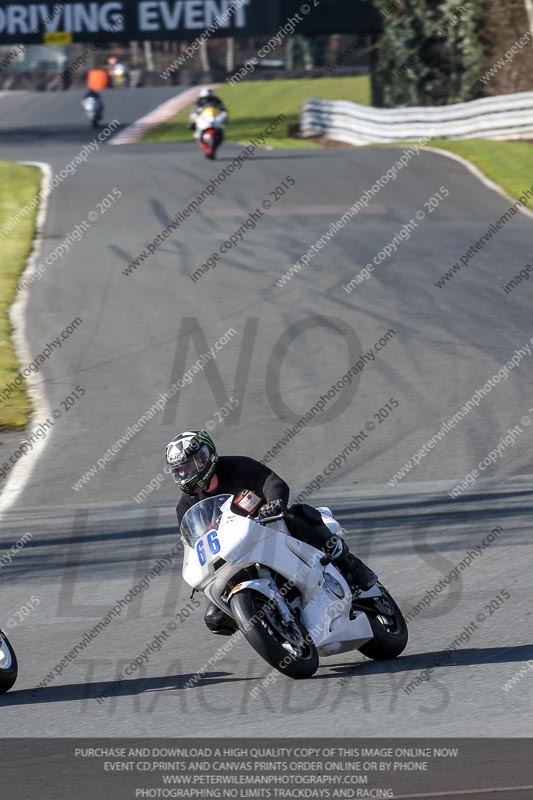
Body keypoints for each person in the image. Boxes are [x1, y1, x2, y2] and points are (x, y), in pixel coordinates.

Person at [166, 430, 377, 636]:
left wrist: (274, 504)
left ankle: (348, 562)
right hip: (233, 554)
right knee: (215, 618)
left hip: (267, 526)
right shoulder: (184, 507)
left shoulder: (237, 466)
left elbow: (272, 482)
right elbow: (192, 543)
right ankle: (270, 625)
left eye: (188, 466)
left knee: (297, 515)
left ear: (205, 458)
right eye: (179, 471)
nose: (184, 475)